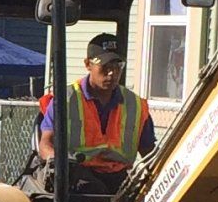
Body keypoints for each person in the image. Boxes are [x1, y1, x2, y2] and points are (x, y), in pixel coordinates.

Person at [37, 33, 156, 183]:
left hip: (119, 178)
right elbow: (46, 144)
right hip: (76, 176)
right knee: (95, 195)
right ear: (88, 64)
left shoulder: (135, 105)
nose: (112, 73)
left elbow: (148, 151)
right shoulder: (65, 100)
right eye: (105, 66)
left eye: (117, 66)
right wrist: (59, 164)